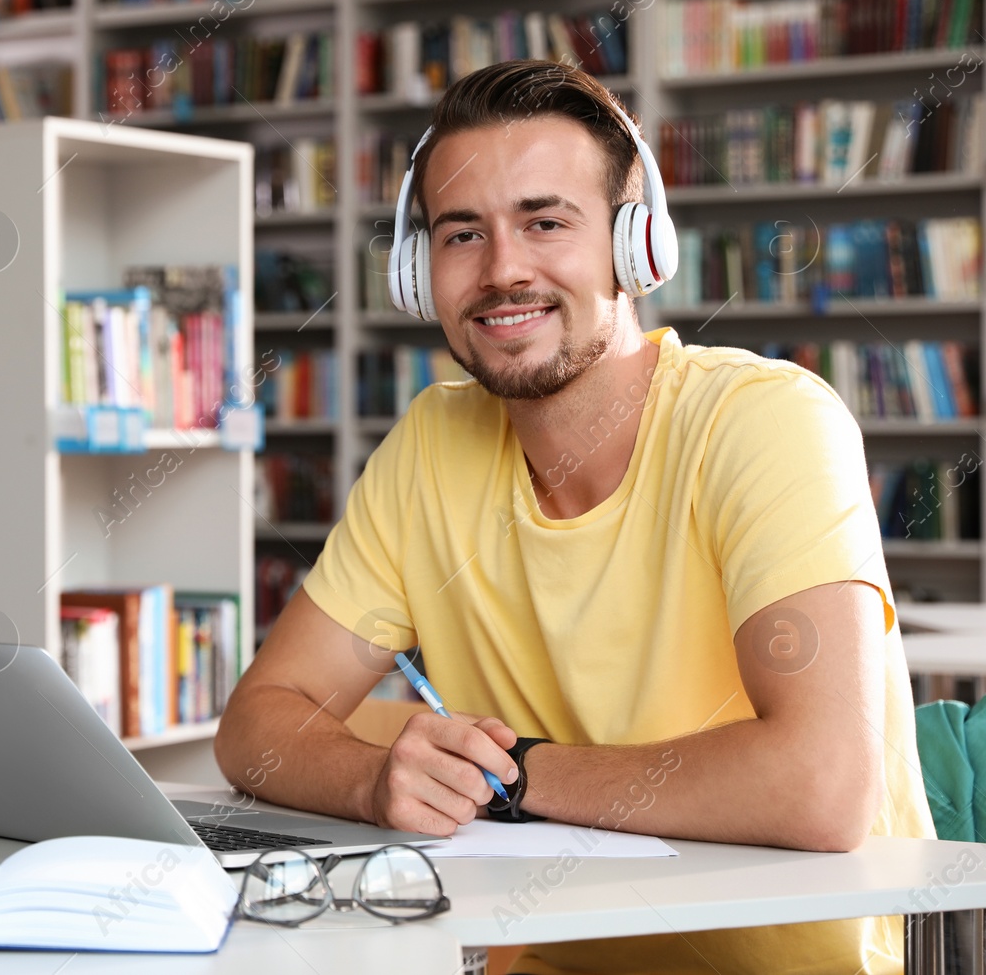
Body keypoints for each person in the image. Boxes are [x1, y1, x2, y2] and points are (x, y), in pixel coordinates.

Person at [215, 58, 935, 974]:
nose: (504, 270)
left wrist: (506, 775)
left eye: (546, 222)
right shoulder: (429, 447)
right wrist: (375, 776)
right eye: (462, 234)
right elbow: (257, 724)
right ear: (415, 269)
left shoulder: (769, 421)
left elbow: (821, 784)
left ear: (636, 248)